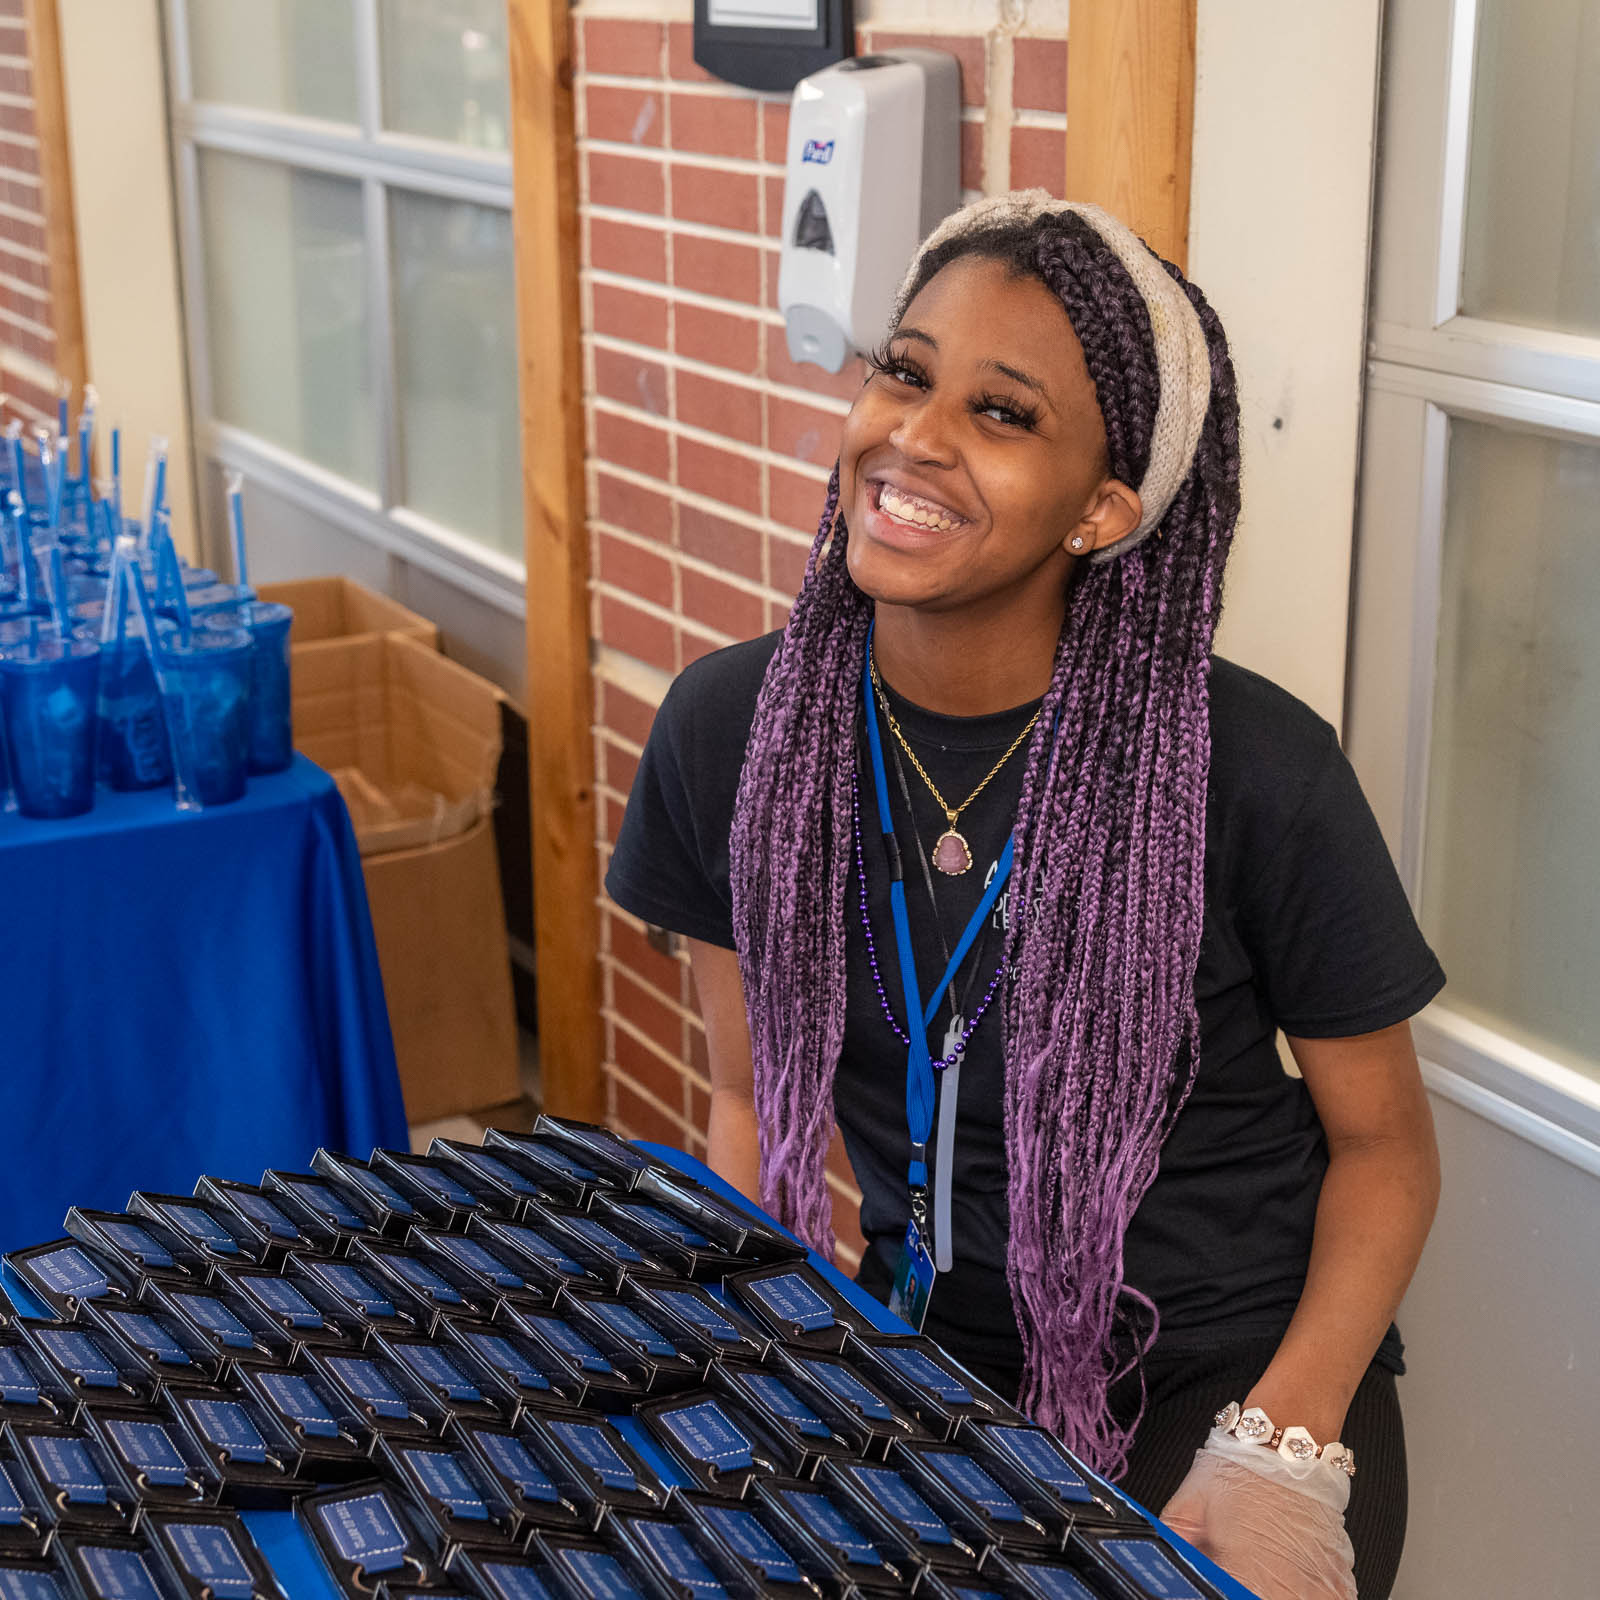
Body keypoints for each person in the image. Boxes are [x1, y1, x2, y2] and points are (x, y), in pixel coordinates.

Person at [606, 191, 1443, 1600]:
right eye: (905, 372)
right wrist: (751, 1338)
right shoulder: (732, 734)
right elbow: (748, 1098)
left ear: (1105, 509)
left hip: (1228, 1369)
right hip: (919, 1339)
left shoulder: (1251, 771)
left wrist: (1282, 1450)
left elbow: (1387, 1154)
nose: (917, 436)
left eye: (1001, 413)